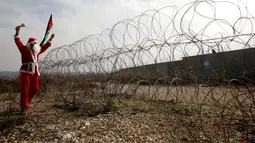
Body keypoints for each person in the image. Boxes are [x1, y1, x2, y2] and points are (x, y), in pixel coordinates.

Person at [14, 24, 55, 113]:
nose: (34, 45)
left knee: (35, 88)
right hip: (25, 71)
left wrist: (51, 39)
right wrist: (17, 32)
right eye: (32, 44)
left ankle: (26, 102)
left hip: (35, 71)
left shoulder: (37, 52)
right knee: (25, 89)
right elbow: (18, 42)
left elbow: (44, 47)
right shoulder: (24, 49)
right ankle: (24, 107)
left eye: (35, 44)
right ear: (29, 44)